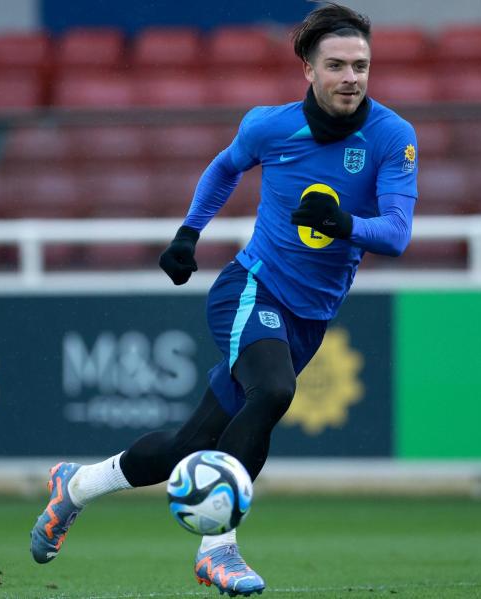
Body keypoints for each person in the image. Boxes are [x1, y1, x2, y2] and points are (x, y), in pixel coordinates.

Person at [30, 2, 418, 595]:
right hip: (251, 286)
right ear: (308, 71)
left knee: (188, 447)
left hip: (310, 318)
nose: (351, 78)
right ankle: (219, 551)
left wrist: (345, 225)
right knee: (275, 391)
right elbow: (224, 168)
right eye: (336, 65)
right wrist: (189, 233)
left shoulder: (393, 136)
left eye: (361, 65)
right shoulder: (270, 125)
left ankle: (75, 487)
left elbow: (396, 232)